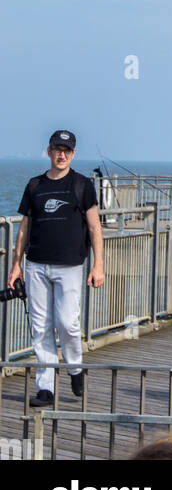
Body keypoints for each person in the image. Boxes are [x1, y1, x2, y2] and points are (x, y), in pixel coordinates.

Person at [7, 131, 104, 406]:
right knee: (41, 327)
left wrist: (98, 265)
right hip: (36, 265)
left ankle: (75, 368)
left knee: (67, 323)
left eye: (67, 151)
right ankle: (45, 388)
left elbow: (95, 227)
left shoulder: (82, 185)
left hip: (70, 266)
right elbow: (24, 227)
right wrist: (16, 265)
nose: (62, 155)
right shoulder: (34, 185)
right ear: (49, 151)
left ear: (73, 154)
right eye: (57, 149)